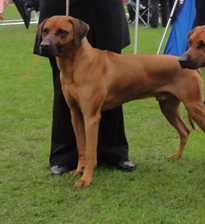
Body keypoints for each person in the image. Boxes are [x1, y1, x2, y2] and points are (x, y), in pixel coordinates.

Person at [33, 0, 136, 175]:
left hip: (105, 10)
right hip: (60, 5)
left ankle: (114, 152)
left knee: (112, 86)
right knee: (64, 89)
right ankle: (65, 156)